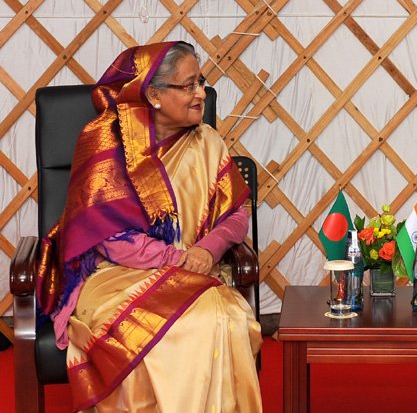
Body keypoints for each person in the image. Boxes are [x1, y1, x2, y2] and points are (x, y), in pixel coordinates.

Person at [35, 41, 262, 411]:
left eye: (201, 82)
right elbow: (110, 237)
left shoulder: (207, 141)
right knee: (173, 327)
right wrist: (179, 258)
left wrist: (208, 250)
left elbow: (236, 213)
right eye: (188, 85)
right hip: (118, 274)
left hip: (197, 270)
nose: (201, 94)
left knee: (228, 318)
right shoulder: (107, 142)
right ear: (154, 94)